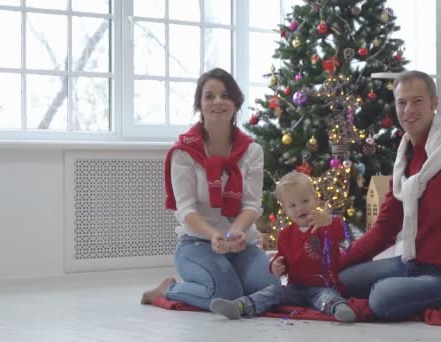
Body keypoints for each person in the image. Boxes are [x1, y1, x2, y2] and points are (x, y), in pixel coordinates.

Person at [339, 70, 441, 321]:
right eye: (402, 102)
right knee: (342, 280)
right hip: (410, 263)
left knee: (382, 298)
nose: (408, 109)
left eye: (418, 101)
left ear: (434, 103)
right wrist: (337, 262)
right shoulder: (405, 156)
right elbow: (385, 227)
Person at [141, 68, 279, 309]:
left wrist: (235, 232)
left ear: (236, 103)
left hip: (241, 244)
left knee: (273, 288)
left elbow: (251, 205)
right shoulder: (184, 151)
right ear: (199, 105)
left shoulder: (251, 151)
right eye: (210, 96)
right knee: (226, 292)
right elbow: (185, 210)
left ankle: (229, 282)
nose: (218, 101)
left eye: (226, 95)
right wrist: (214, 235)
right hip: (197, 244)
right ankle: (167, 291)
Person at [209, 172, 356, 322]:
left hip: (323, 286)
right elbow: (282, 258)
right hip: (295, 288)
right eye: (292, 205)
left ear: (316, 200)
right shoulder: (286, 235)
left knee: (328, 297)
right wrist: (275, 266)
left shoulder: (324, 226)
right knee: (273, 291)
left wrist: (330, 221)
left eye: (305, 201)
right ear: (285, 210)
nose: (300, 208)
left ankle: (339, 308)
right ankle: (239, 306)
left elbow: (341, 234)